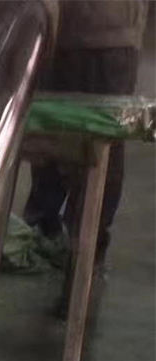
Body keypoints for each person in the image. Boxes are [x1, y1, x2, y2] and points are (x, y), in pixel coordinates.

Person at [24, 0, 148, 261]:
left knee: (101, 144)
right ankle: (45, 233)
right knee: (50, 134)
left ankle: (86, 248)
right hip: (60, 29)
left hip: (106, 35)